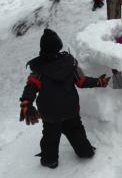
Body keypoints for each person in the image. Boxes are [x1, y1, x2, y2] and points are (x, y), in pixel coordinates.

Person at [19, 29, 110, 168]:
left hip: (50, 114)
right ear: (59, 45)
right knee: (76, 131)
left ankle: (50, 160)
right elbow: (81, 81)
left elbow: (31, 86)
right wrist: (99, 82)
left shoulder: (38, 69)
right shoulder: (70, 63)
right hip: (70, 109)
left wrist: (26, 102)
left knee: (50, 137)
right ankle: (85, 152)